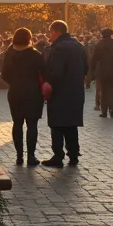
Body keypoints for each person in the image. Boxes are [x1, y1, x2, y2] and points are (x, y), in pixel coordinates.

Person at [41, 20, 86, 168]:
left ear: (57, 32)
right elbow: (86, 67)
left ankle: (58, 155)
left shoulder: (59, 48)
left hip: (61, 92)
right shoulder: (79, 46)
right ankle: (73, 154)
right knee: (71, 124)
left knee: (58, 124)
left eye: (50, 32)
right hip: (76, 91)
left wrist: (49, 84)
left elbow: (57, 71)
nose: (49, 35)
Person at [1, 28, 45, 166]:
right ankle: (31, 156)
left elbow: (4, 75)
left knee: (17, 123)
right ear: (29, 39)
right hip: (33, 93)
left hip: (15, 93)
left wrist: (14, 83)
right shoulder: (35, 55)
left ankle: (19, 156)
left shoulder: (9, 54)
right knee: (32, 125)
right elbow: (44, 72)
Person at [91, 28, 113, 118]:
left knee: (104, 91)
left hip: (102, 71)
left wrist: (92, 72)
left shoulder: (99, 45)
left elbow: (94, 60)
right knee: (112, 91)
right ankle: (112, 109)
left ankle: (104, 111)